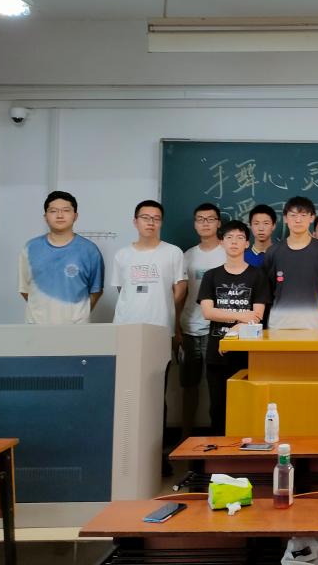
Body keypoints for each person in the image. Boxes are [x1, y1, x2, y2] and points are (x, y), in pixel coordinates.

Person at [111, 199, 187, 474]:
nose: (151, 222)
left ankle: (155, 457)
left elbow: (180, 290)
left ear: (161, 222)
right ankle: (126, 456)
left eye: (156, 218)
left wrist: (169, 319)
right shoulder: (122, 255)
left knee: (156, 395)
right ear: (135, 221)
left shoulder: (173, 253)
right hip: (126, 333)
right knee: (125, 394)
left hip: (160, 331)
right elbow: (122, 291)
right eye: (145, 217)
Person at [198, 220, 270, 435]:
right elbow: (207, 312)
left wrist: (233, 331)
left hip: (247, 353)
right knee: (217, 408)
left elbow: (257, 316)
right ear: (221, 242)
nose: (234, 242)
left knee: (246, 406)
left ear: (247, 243)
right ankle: (220, 451)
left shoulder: (258, 275)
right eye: (229, 237)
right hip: (216, 353)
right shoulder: (211, 275)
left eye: (240, 238)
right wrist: (241, 316)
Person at [18, 190, 104, 324]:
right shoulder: (30, 248)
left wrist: (79, 314)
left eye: (66, 210)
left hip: (76, 327)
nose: (59, 215)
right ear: (45, 217)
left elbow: (96, 291)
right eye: (53, 211)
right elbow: (24, 289)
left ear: (75, 216)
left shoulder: (90, 250)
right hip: (36, 326)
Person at [179, 203, 225, 440]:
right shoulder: (187, 255)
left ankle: (219, 439)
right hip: (189, 328)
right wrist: (177, 328)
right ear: (195, 223)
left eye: (210, 219)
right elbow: (181, 294)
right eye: (200, 219)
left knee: (218, 388)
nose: (205, 223)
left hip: (217, 330)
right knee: (188, 387)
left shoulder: (228, 251)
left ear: (219, 223)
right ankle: (185, 438)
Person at [262, 196, 318, 330]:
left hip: (315, 326)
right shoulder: (273, 251)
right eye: (293, 215)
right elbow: (266, 292)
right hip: (278, 326)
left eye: (303, 215)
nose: (298, 220)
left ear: (312, 217)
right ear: (285, 218)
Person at [245, 204, 277, 268]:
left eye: (266, 223)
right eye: (256, 223)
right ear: (250, 226)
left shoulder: (281, 255)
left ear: (273, 226)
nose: (261, 228)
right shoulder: (242, 258)